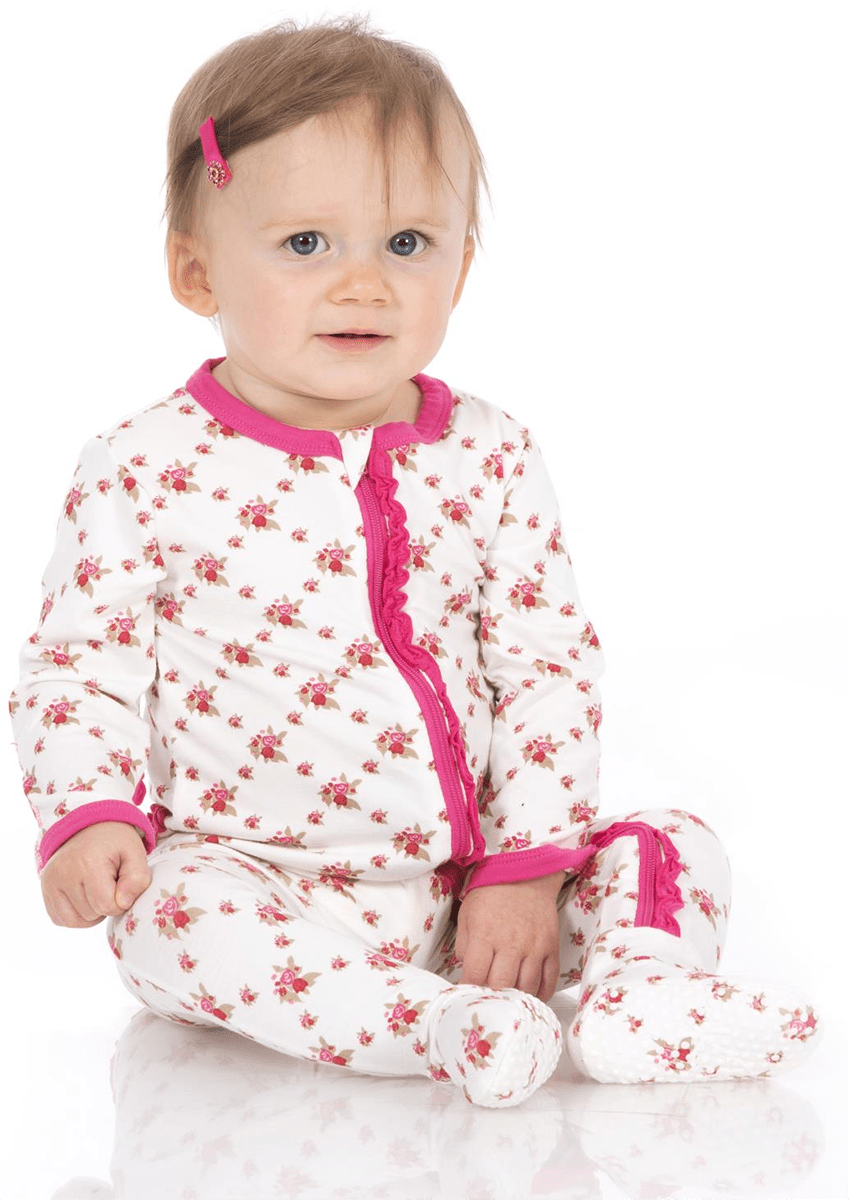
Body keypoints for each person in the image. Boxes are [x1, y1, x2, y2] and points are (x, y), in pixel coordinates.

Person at [7, 15, 821, 1109]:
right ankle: (438, 1028)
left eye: (406, 245)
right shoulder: (142, 466)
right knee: (167, 918)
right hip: (262, 885)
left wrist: (523, 871)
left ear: (461, 268)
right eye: (306, 244)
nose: (364, 284)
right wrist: (92, 809)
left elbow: (545, 669)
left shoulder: (489, 452)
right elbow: (81, 668)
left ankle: (641, 995)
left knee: (672, 841)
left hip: (475, 893)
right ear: (197, 271)